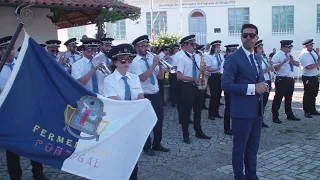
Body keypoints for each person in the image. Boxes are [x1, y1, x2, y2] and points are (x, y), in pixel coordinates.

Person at [222, 24, 268, 179]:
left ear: (256, 38)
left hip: (256, 110)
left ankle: (252, 175)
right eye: (244, 35)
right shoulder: (232, 58)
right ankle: (239, 176)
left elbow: (257, 79)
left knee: (253, 148)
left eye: (251, 35)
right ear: (241, 37)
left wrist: (263, 85)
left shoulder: (257, 57)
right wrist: (253, 88)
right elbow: (226, 85)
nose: (247, 38)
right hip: (241, 111)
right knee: (239, 148)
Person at [0, 36, 49, 180]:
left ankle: (38, 173)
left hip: (27, 111)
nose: (10, 52)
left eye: (12, 48)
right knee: (12, 149)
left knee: (34, 143)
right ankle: (15, 176)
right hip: (9, 115)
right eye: (6, 49)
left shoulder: (21, 64)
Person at [104, 43, 142, 180]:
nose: (127, 63)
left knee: (133, 158)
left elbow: (141, 100)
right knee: (118, 157)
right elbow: (115, 104)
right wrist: (132, 107)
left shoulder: (135, 78)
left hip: (133, 123)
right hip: (118, 124)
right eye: (123, 60)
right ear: (115, 62)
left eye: (130, 59)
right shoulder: (109, 80)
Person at [129, 35, 169, 156]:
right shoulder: (134, 61)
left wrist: (161, 65)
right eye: (142, 46)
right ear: (136, 47)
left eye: (147, 46)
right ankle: (147, 146)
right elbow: (142, 78)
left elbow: (160, 77)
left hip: (155, 93)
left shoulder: (151, 59)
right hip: (144, 95)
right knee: (145, 122)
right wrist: (154, 65)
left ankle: (157, 144)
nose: (146, 48)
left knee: (159, 120)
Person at [175, 35, 211, 144]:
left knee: (198, 110)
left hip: (197, 86)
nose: (194, 46)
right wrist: (193, 79)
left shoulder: (197, 56)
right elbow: (179, 76)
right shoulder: (181, 57)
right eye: (192, 44)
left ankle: (198, 131)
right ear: (185, 45)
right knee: (186, 112)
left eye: (195, 44)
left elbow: (201, 70)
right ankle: (185, 134)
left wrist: (204, 70)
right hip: (186, 86)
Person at [271, 40, 300, 123]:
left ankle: (289, 114)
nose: (290, 49)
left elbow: (298, 64)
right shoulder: (277, 55)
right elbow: (274, 68)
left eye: (290, 47)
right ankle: (275, 116)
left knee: (289, 98)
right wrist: (283, 62)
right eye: (288, 47)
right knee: (278, 98)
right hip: (281, 79)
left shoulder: (289, 55)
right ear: (283, 47)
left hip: (290, 79)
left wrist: (293, 61)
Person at [299, 39, 320, 118]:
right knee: (308, 94)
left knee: (314, 94)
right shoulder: (304, 54)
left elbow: (317, 60)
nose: (312, 46)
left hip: (314, 76)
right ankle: (307, 111)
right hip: (308, 77)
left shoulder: (312, 52)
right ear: (305, 46)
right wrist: (318, 63)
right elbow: (308, 66)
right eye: (310, 45)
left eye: (312, 45)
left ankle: (312, 109)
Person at [221, 44, 239, 136]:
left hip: (236, 86)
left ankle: (235, 126)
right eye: (233, 51)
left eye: (236, 50)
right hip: (229, 87)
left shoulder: (235, 60)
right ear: (228, 52)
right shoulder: (226, 60)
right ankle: (227, 128)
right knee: (228, 107)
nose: (235, 52)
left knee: (235, 107)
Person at [254, 40, 273, 128]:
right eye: (260, 48)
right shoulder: (255, 58)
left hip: (268, 81)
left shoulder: (263, 57)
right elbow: (257, 72)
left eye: (262, 47)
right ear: (255, 49)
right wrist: (268, 69)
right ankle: (257, 120)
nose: (262, 49)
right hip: (261, 82)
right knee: (260, 103)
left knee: (264, 102)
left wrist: (270, 66)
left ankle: (261, 119)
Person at [206, 40, 224, 120]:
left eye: (219, 46)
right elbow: (208, 69)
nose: (218, 48)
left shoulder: (221, 55)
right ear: (213, 48)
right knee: (214, 94)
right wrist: (217, 68)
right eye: (217, 47)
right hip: (213, 77)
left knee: (218, 95)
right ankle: (211, 113)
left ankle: (216, 112)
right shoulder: (209, 56)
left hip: (220, 76)